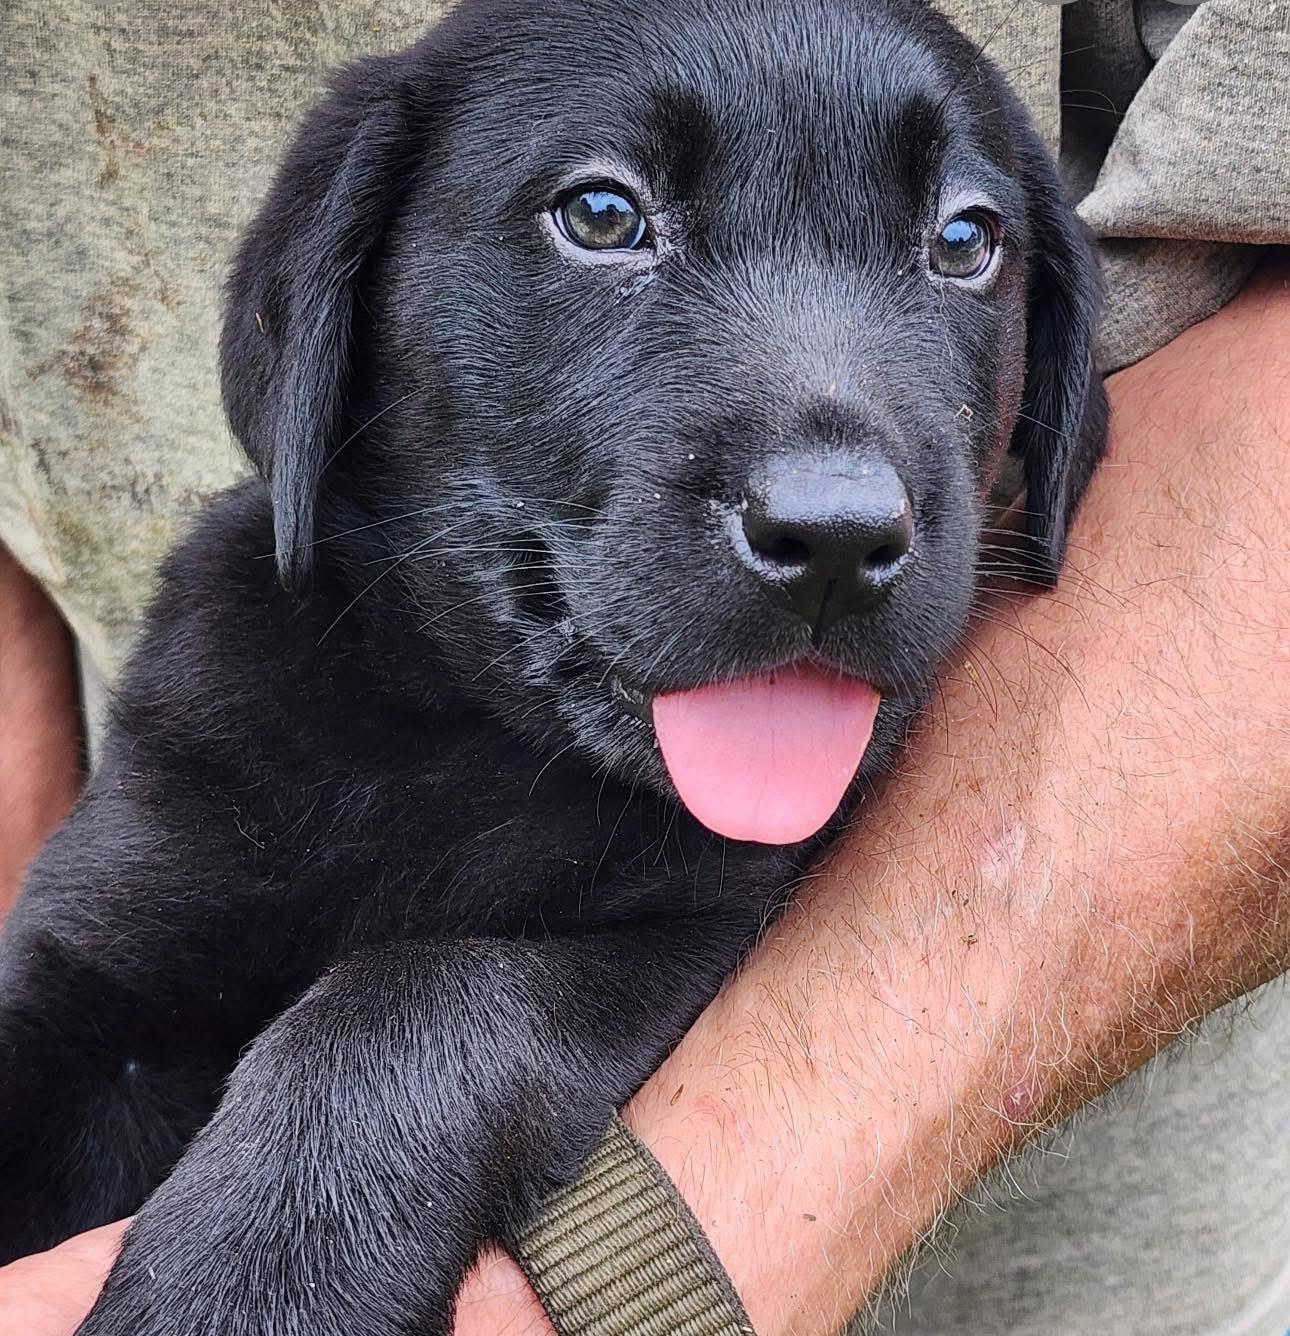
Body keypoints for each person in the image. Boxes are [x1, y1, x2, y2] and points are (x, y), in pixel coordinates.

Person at [0, 2, 1286, 1333]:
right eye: (603, 216)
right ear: (332, 285)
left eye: (958, 243)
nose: (837, 496)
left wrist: (607, 1227)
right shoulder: (221, 715)